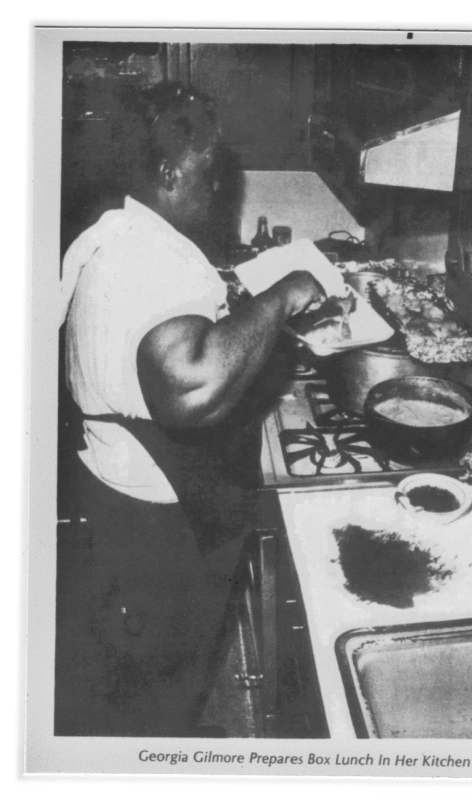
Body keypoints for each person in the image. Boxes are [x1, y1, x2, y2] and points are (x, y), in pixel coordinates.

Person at [55, 82, 326, 736]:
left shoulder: (126, 234)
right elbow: (191, 387)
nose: (220, 188)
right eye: (210, 173)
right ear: (170, 172)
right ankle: (161, 753)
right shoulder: (143, 259)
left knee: (161, 664)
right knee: (160, 668)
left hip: (123, 493)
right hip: (151, 522)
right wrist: (285, 294)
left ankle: (167, 738)